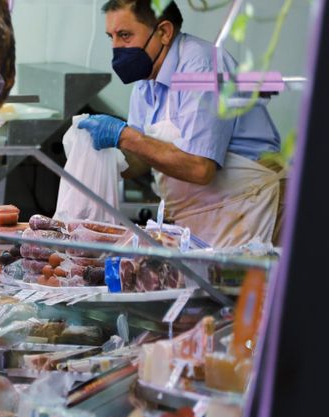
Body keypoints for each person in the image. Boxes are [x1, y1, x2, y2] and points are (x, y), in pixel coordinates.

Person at [77, 0, 286, 248]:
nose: (116, 48)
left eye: (125, 35)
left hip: (250, 204)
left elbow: (200, 168)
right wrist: (100, 160)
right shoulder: (146, 82)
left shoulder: (200, 68)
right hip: (204, 214)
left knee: (234, 285)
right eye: (110, 37)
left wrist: (124, 136)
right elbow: (144, 157)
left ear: (164, 32)